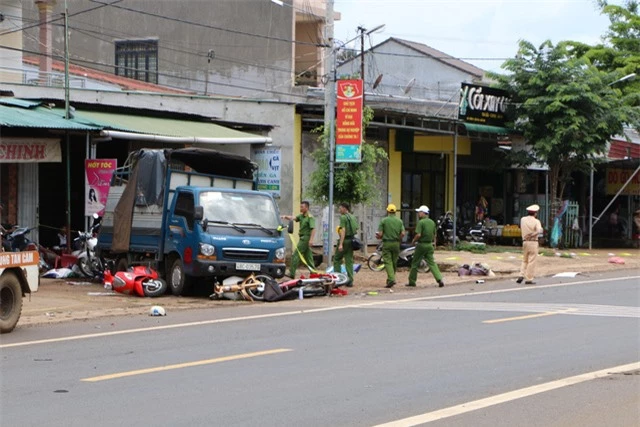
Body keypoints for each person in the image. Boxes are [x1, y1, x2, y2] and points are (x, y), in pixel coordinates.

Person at [407, 205, 444, 288]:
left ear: (424, 213)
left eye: (419, 212)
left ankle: (412, 281)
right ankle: (439, 279)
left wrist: (413, 241)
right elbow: (434, 235)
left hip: (421, 245)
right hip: (429, 245)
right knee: (432, 263)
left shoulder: (421, 222)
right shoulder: (432, 222)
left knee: (415, 263)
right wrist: (434, 244)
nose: (418, 214)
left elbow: (418, 234)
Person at [281, 201, 316, 278]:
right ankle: (314, 273)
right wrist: (285, 216)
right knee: (308, 257)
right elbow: (294, 218)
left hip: (305, 238)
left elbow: (313, 229)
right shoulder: (302, 216)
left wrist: (311, 240)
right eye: (300, 207)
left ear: (306, 208)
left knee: (296, 255)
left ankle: (292, 273)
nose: (300, 208)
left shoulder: (310, 217)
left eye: (302, 207)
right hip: (303, 238)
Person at [376, 203, 405, 288]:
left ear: (388, 211)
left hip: (387, 243)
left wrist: (379, 236)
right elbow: (403, 233)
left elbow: (380, 234)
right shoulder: (399, 221)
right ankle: (391, 279)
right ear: (395, 211)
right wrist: (397, 238)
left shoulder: (384, 221)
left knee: (388, 261)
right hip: (396, 243)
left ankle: (391, 279)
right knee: (394, 262)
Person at [516, 204, 543, 285]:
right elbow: (539, 231)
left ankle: (521, 274)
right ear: (535, 213)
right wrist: (532, 234)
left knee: (524, 259)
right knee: (531, 261)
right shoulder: (536, 221)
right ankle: (529, 278)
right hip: (533, 242)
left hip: (524, 242)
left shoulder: (523, 219)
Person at [333, 203, 357, 287]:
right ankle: (350, 281)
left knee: (337, 259)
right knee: (349, 261)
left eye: (340, 208)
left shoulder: (343, 217)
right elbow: (356, 229)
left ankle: (338, 280)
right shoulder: (353, 217)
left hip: (345, 240)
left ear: (344, 208)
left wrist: (340, 244)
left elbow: (343, 231)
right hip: (351, 240)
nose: (339, 210)